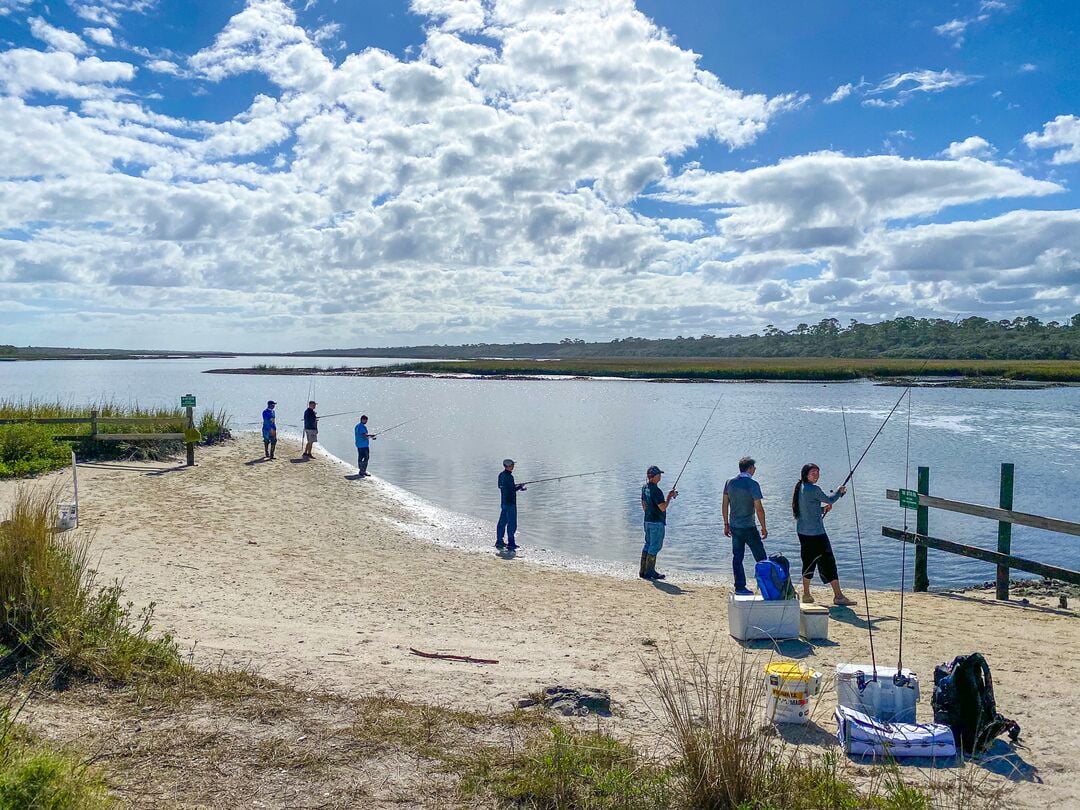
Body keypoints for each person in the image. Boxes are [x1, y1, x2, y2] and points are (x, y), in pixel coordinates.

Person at [792, 463, 856, 606]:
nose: (816, 476)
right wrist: (839, 491)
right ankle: (838, 596)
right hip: (816, 534)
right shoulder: (813, 489)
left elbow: (808, 508)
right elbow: (830, 498)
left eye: (818, 473)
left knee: (808, 562)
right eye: (813, 473)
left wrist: (822, 510)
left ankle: (807, 595)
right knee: (828, 562)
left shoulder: (801, 487)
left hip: (803, 532)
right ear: (806, 474)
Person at [722, 456, 768, 595]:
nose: (755, 469)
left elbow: (725, 504)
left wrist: (726, 523)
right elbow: (759, 508)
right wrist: (764, 527)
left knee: (737, 557)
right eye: (753, 467)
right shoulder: (753, 484)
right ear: (749, 468)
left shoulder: (729, 483)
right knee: (761, 557)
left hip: (735, 527)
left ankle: (740, 587)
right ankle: (767, 584)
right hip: (749, 526)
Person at [640, 465, 677, 580]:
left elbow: (643, 505)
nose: (660, 476)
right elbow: (663, 507)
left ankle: (643, 571)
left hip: (647, 521)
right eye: (659, 475)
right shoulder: (657, 491)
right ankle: (650, 571)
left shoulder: (644, 488)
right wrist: (669, 496)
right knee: (655, 546)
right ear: (654, 477)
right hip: (656, 522)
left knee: (648, 544)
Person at [496, 459, 526, 550]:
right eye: (512, 465)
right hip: (510, 503)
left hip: (504, 502)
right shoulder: (509, 477)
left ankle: (499, 541)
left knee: (502, 522)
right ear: (508, 466)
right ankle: (511, 543)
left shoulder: (501, 475)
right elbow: (511, 490)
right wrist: (520, 487)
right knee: (512, 523)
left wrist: (517, 487)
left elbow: (503, 487)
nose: (513, 466)